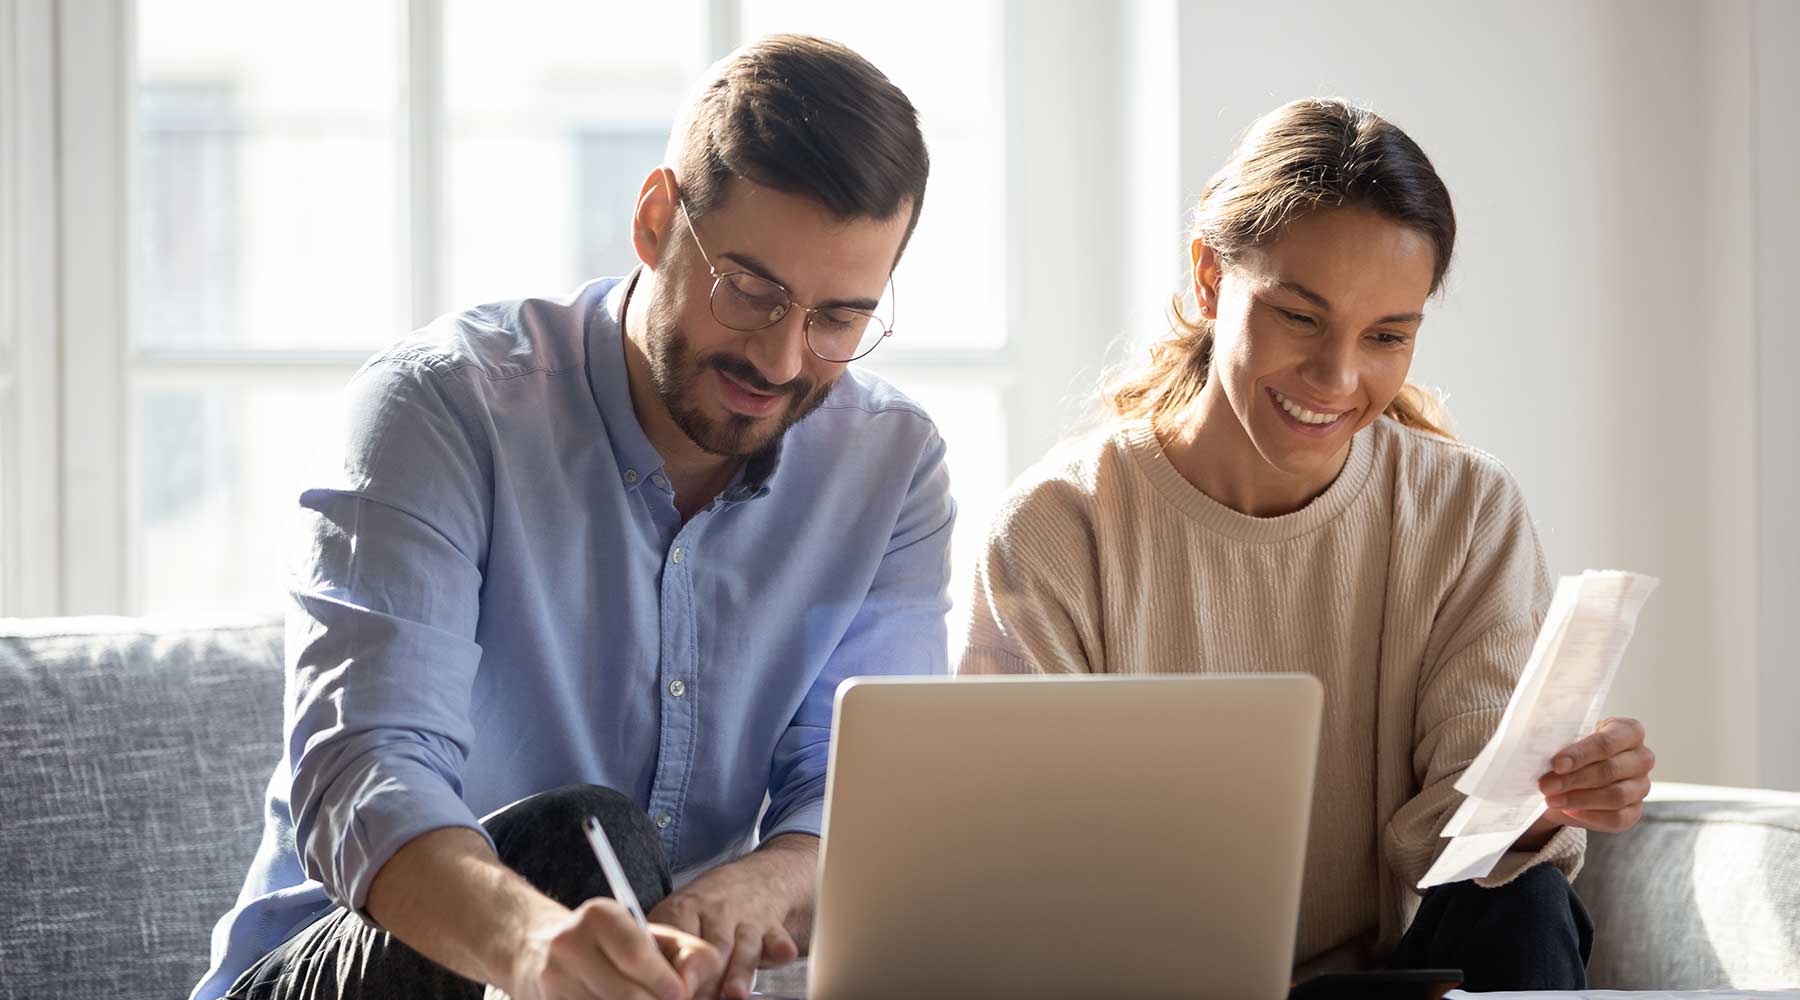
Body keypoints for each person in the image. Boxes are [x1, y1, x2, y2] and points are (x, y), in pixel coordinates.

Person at [193, 35, 954, 1000]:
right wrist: (536, 950)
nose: (783, 357)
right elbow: (368, 772)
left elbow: (858, 795)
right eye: (751, 291)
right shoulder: (443, 408)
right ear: (653, 220)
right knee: (582, 840)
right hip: (359, 963)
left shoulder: (890, 468)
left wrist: (743, 897)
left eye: (840, 318)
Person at [958, 98, 1655, 992]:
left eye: (1387, 337)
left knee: (1524, 904)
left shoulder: (1464, 510)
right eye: (1300, 317)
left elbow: (1467, 832)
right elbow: (1019, 864)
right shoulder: (1059, 529)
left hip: (1389, 984)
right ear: (1210, 278)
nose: (1338, 378)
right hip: (1142, 981)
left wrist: (1541, 803)